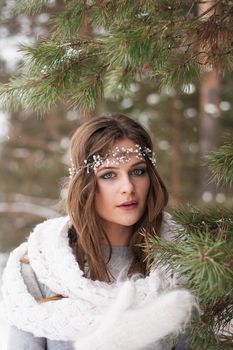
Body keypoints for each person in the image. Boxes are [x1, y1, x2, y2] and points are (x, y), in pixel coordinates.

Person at [2, 114, 195, 350]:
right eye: (108, 175)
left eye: (137, 171)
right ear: (85, 184)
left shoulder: (177, 265)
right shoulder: (40, 267)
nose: (128, 188)